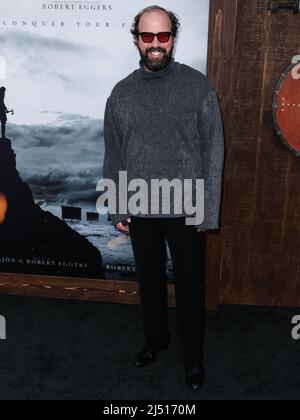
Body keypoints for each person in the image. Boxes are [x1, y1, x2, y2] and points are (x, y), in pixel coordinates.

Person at [103, 5, 224, 392]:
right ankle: (155, 343)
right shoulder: (121, 93)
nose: (155, 44)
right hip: (140, 204)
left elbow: (214, 151)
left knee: (191, 287)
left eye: (163, 36)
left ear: (174, 37)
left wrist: (208, 207)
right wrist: (117, 204)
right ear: (136, 39)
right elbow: (113, 152)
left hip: (187, 206)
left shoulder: (198, 86)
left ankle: (193, 360)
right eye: (147, 36)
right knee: (149, 283)